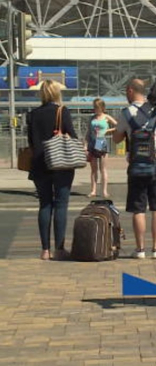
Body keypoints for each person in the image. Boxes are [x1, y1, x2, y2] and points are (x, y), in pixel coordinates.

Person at [112, 79, 156, 259]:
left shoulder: (126, 113)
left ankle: (140, 249)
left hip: (137, 165)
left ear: (130, 91)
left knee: (138, 208)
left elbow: (117, 139)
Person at [26, 79, 78, 261]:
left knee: (45, 205)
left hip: (39, 165)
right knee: (61, 204)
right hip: (61, 163)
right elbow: (73, 136)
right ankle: (60, 249)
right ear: (56, 94)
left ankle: (45, 250)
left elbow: (31, 143)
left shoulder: (32, 114)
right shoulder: (62, 111)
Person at [86, 98, 118, 198]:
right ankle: (93, 190)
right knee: (93, 169)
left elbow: (118, 126)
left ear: (102, 107)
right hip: (92, 142)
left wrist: (107, 131)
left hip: (101, 141)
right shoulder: (92, 118)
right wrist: (85, 145)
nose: (96, 109)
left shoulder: (106, 117)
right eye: (94, 107)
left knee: (103, 169)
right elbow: (88, 132)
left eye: (98, 107)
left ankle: (104, 191)